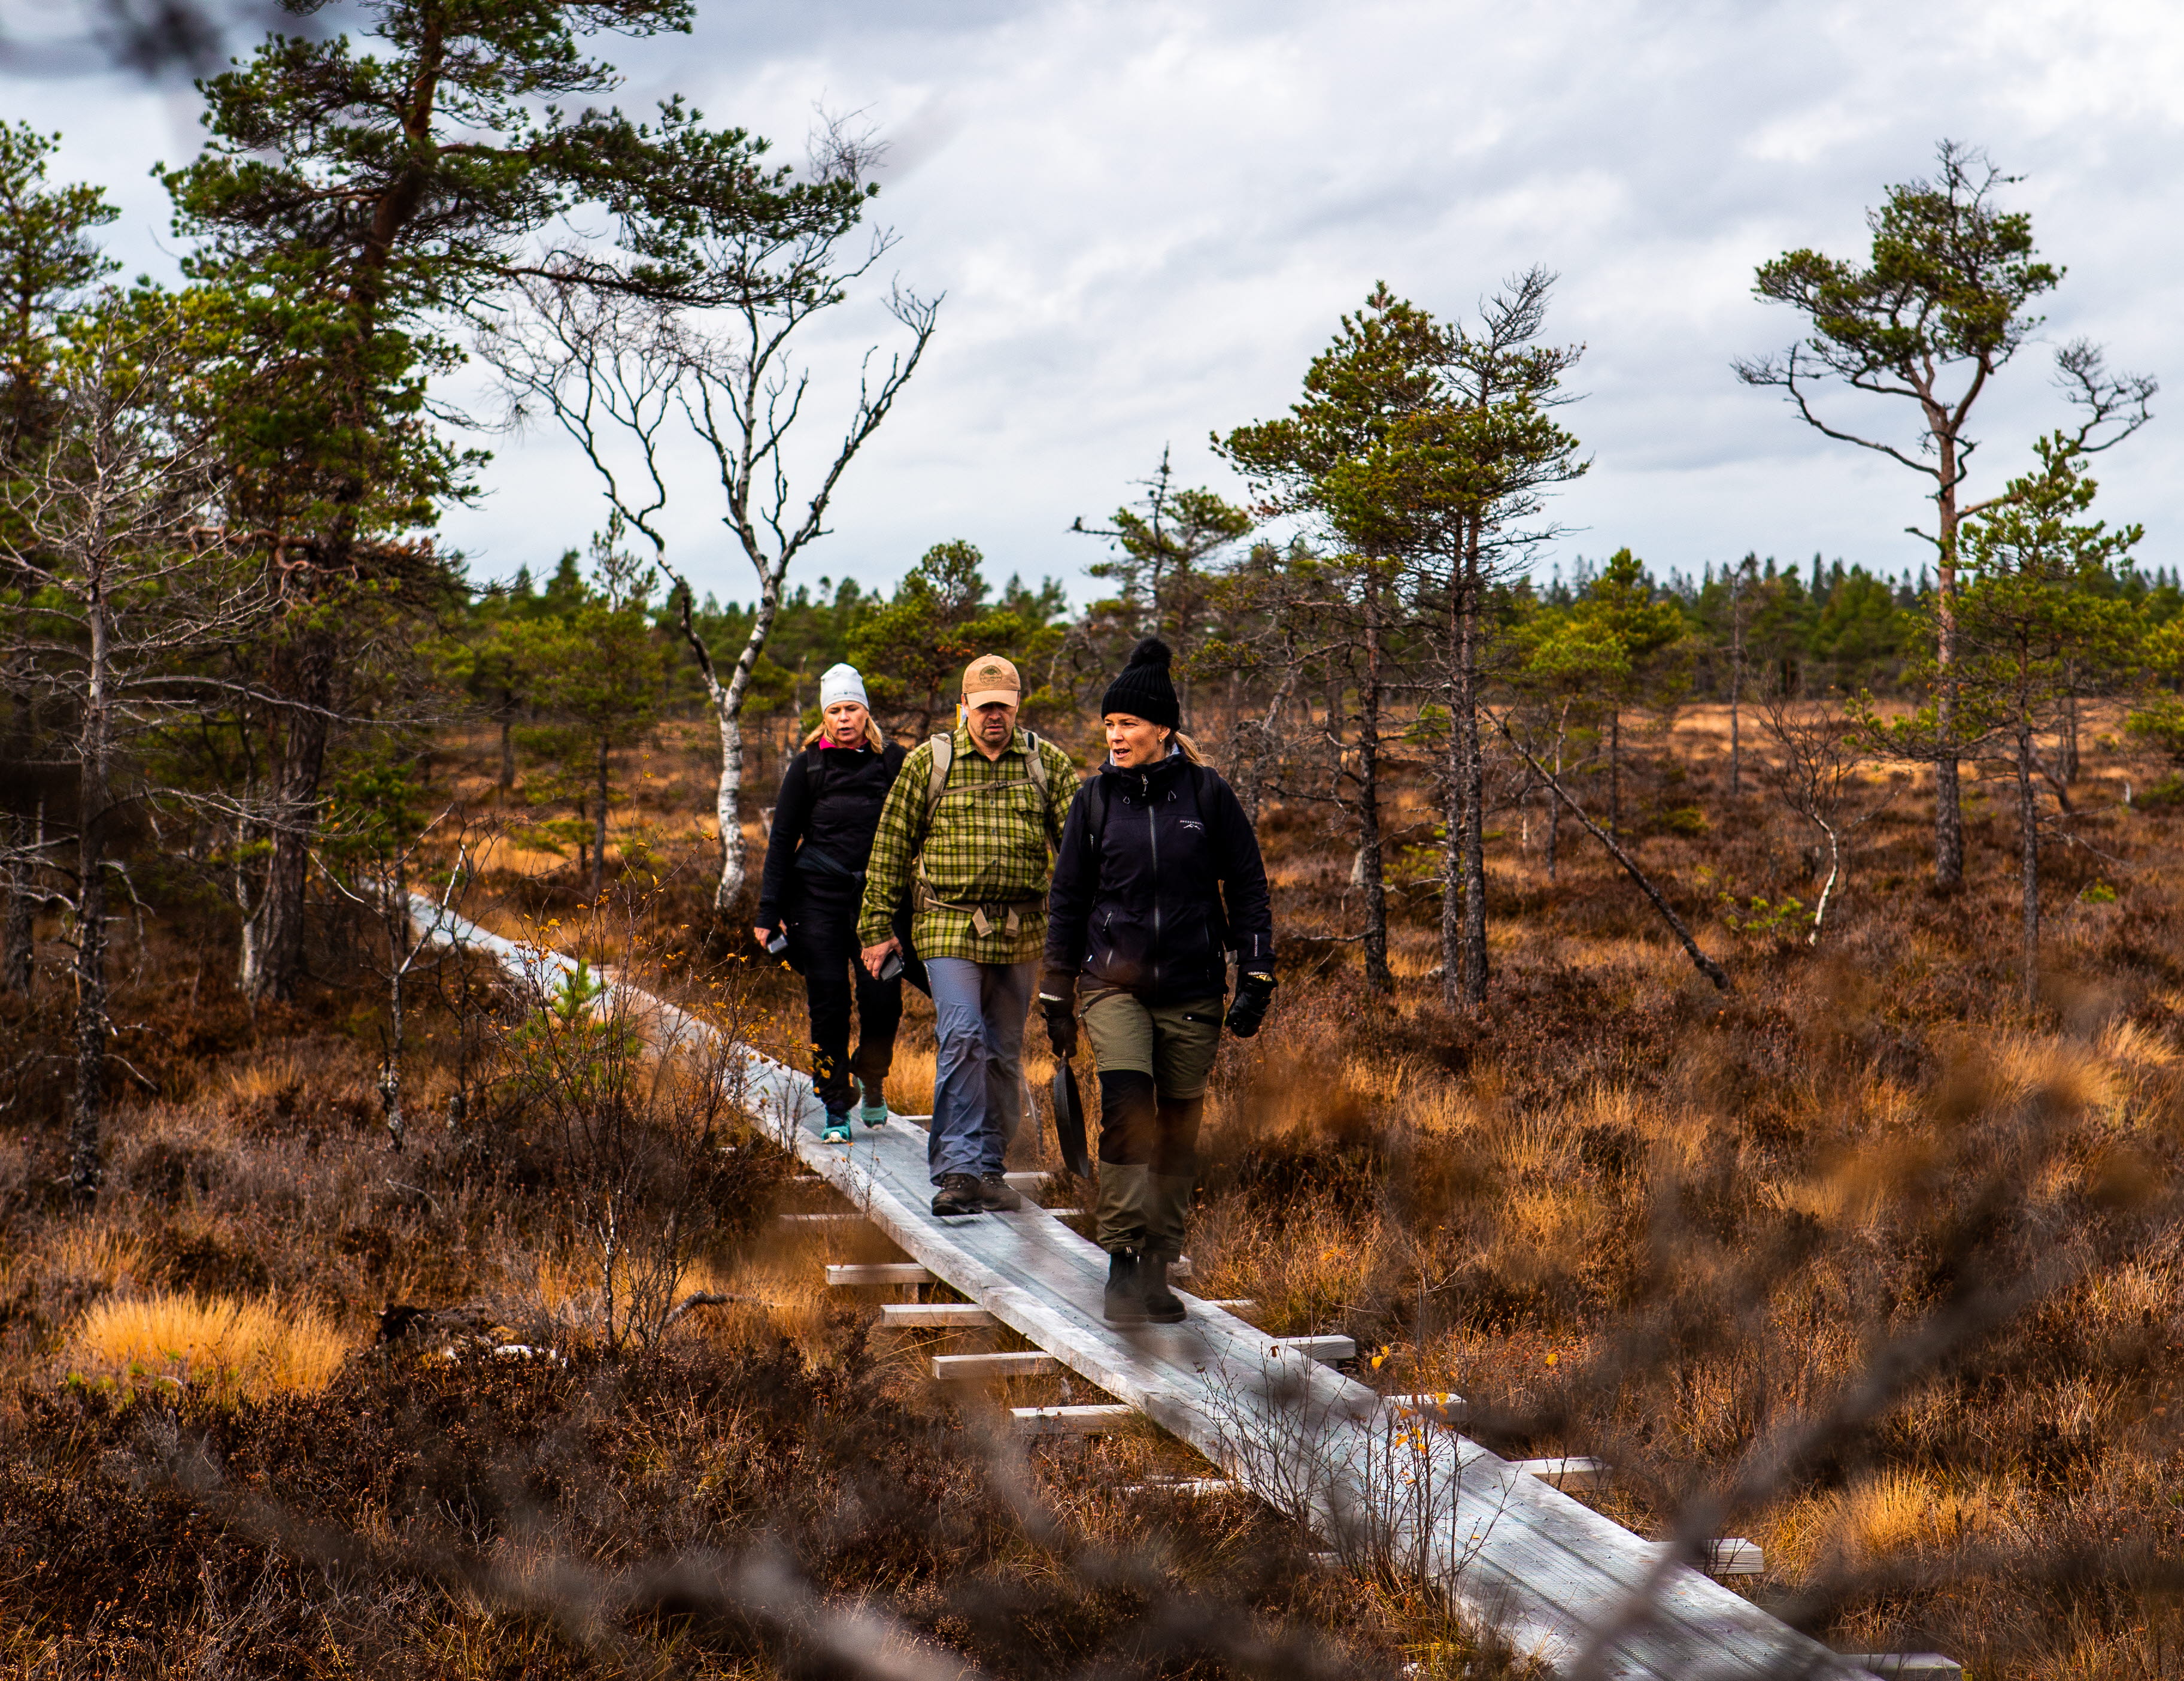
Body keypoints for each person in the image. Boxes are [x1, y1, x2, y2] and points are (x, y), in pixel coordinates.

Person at [1038, 638, 1275, 1325]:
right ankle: (1119, 1256)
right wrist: (1057, 989)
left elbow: (1250, 884)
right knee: (1128, 1107)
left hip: (1195, 988)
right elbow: (1068, 899)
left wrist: (1257, 969)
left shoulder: (1207, 795)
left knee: (1179, 1128)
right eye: (1109, 724)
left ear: (1162, 728)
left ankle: (1156, 1264)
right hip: (1113, 983)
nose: (1115, 734)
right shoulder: (1093, 802)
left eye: (1129, 724)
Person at [859, 654, 1077, 1216]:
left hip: (1022, 928)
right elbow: (888, 847)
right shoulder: (931, 762)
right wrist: (877, 928)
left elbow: (1079, 855)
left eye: (1002, 705)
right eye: (982, 708)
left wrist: (1090, 931)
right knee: (962, 1036)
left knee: (1005, 1052)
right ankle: (956, 1169)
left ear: (1017, 704)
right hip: (949, 924)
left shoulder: (1045, 764)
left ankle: (988, 1168)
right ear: (965, 707)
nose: (993, 717)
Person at [753, 664, 914, 1143]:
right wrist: (768, 909)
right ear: (825, 717)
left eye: (853, 708)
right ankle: (835, 1104)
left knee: (883, 1000)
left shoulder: (894, 762)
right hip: (817, 899)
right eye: (836, 710)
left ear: (867, 712)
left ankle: (872, 1073)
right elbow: (782, 839)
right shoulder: (808, 765)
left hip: (878, 902)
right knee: (828, 1004)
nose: (845, 718)